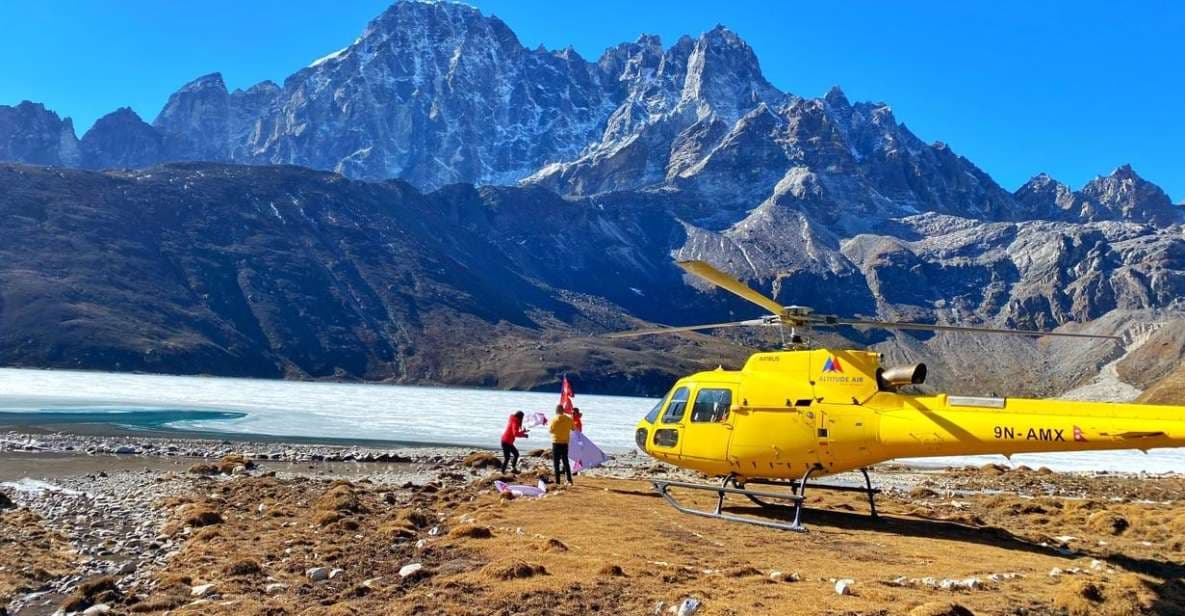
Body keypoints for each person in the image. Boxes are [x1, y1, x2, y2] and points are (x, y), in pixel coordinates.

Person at [549, 404, 574, 485]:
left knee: (556, 463)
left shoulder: (554, 420)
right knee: (565, 462)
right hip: (565, 443)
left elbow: (550, 431)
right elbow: (573, 428)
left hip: (556, 443)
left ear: (556, 411)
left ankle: (558, 481)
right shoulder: (569, 419)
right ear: (563, 411)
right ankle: (569, 480)